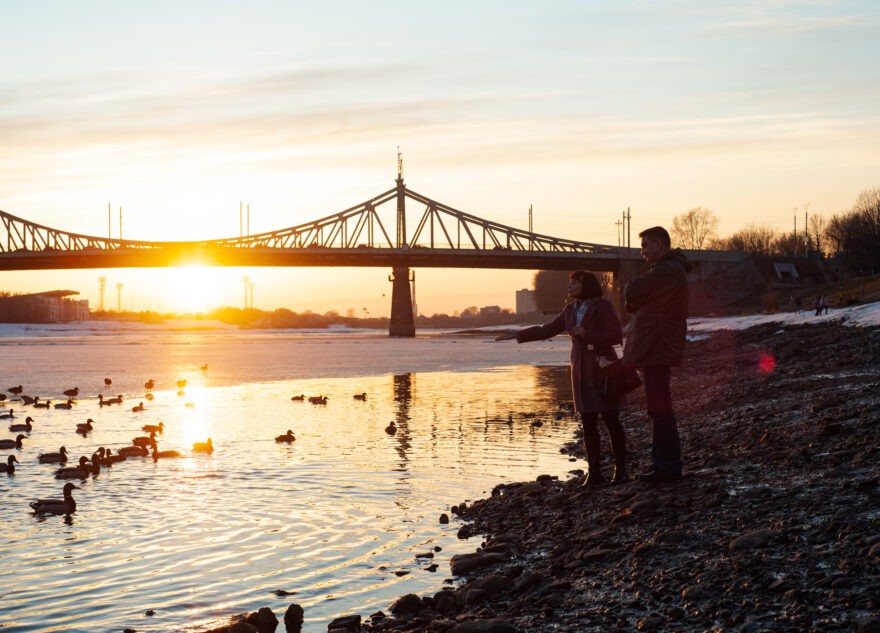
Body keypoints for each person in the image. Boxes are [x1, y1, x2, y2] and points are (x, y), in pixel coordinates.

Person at [496, 270, 629, 486]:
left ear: (586, 284)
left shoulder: (602, 306)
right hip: (580, 370)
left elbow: (616, 335)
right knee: (587, 423)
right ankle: (594, 473)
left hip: (602, 368)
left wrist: (588, 334)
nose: (570, 286)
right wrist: (518, 334)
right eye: (570, 282)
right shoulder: (570, 310)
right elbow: (546, 330)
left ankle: (620, 471)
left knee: (611, 420)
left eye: (574, 282)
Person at [622, 226, 692, 483]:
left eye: (646, 245)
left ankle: (668, 467)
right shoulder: (667, 270)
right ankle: (664, 465)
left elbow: (633, 291)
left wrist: (632, 291)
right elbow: (638, 299)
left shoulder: (667, 270)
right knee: (657, 406)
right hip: (657, 344)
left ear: (661, 244)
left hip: (657, 345)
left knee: (659, 407)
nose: (642, 252)